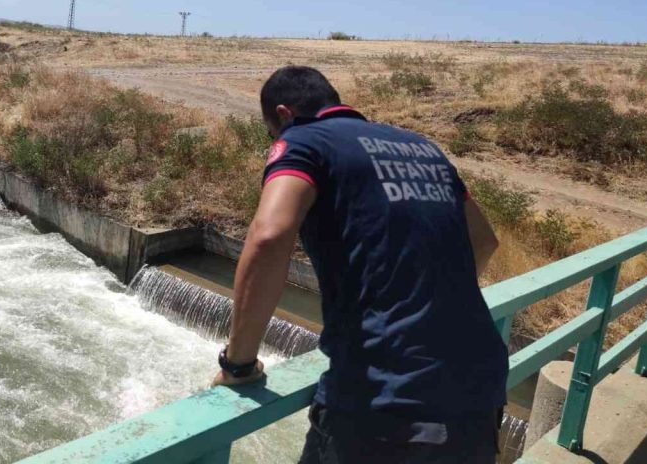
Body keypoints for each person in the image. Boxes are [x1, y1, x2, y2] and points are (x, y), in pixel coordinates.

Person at [212, 66, 507, 463]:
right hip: (479, 394)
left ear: (284, 114)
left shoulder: (304, 139)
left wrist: (238, 364)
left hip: (386, 401)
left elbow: (268, 238)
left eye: (272, 132)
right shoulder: (422, 147)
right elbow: (485, 241)